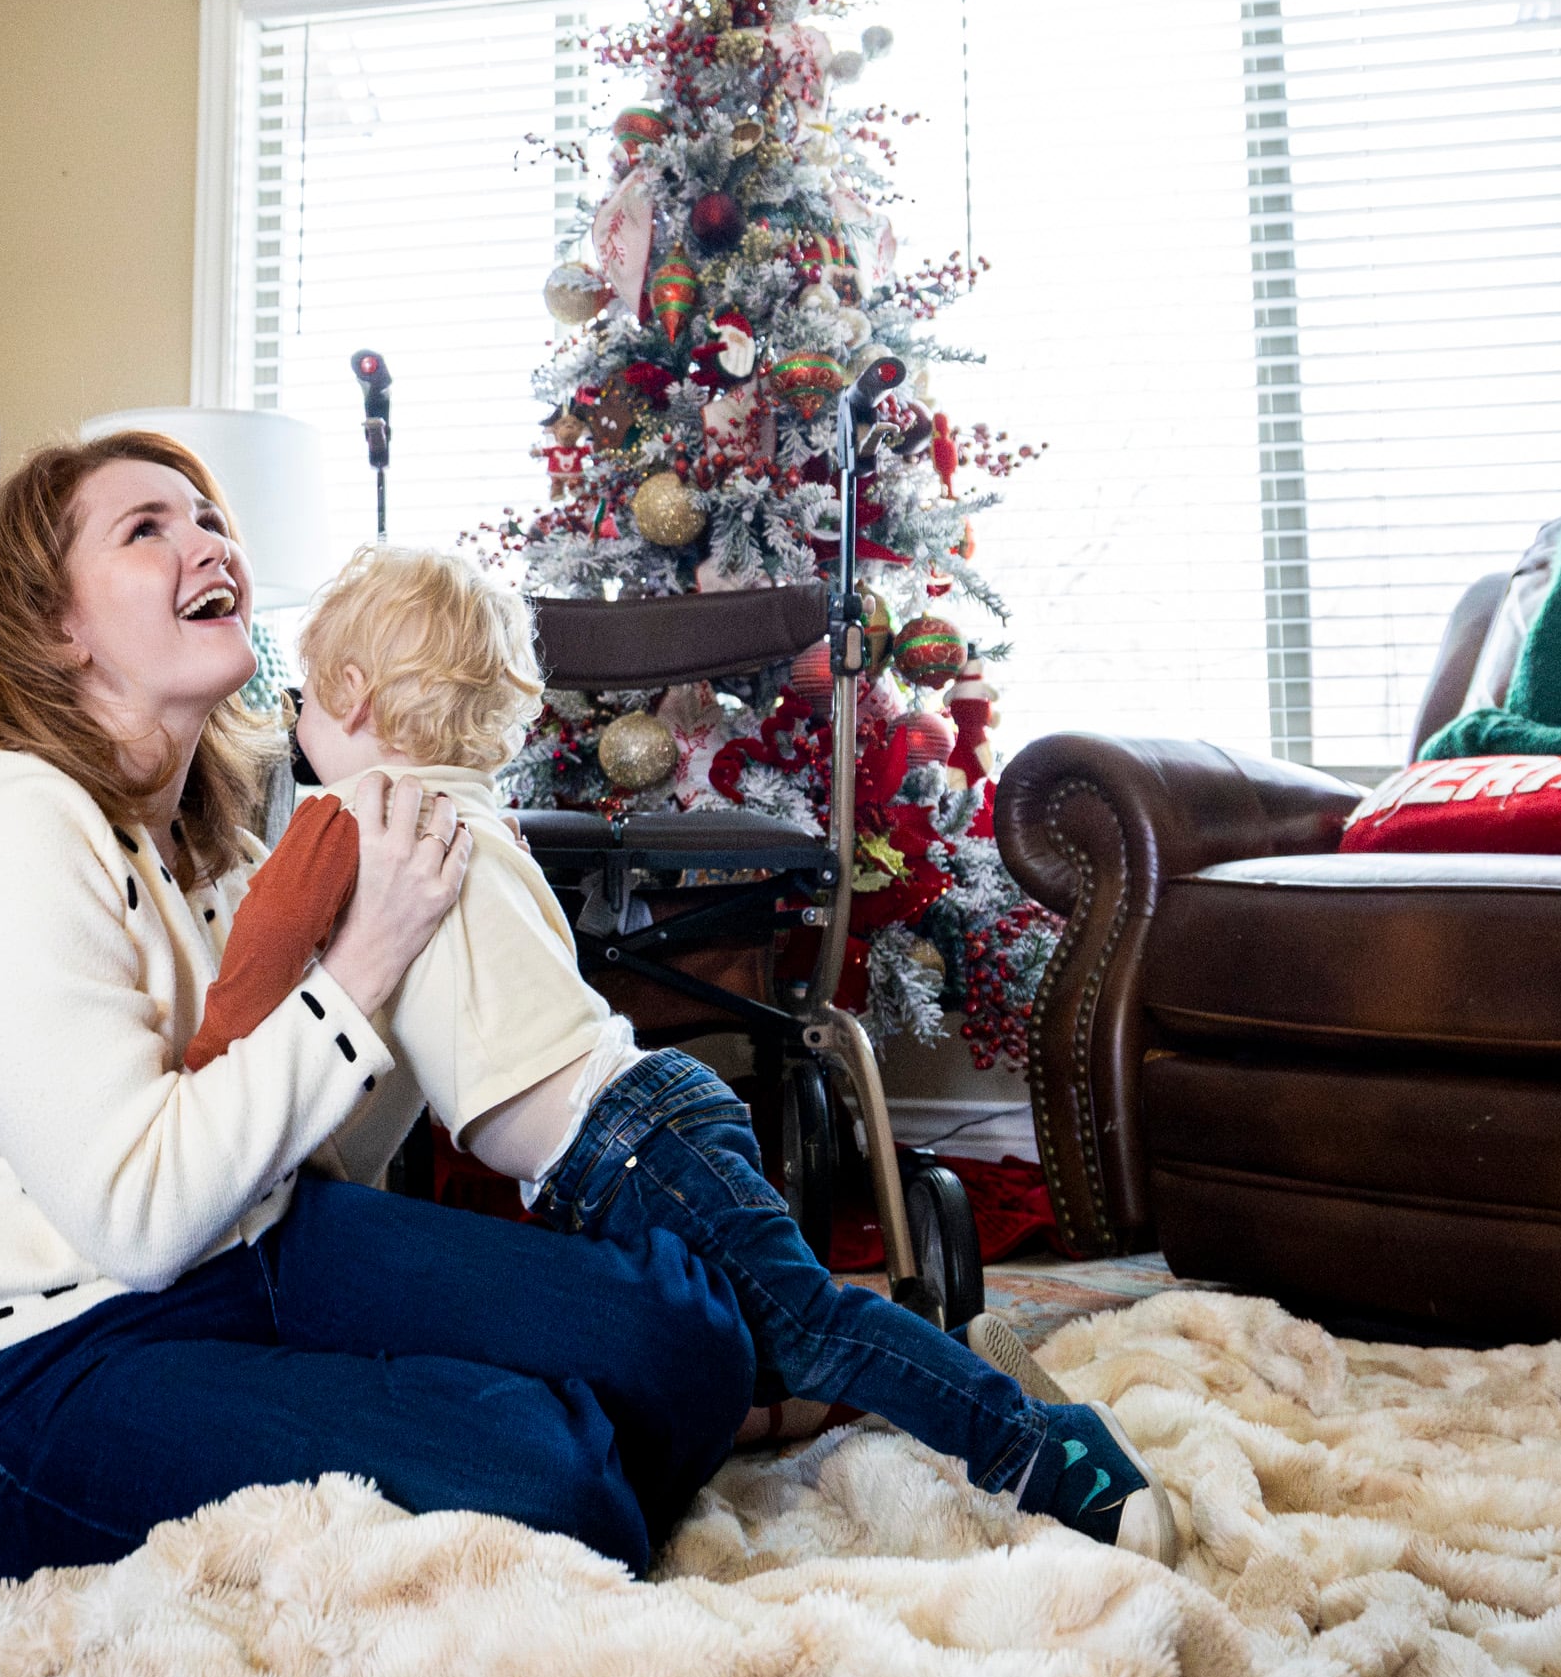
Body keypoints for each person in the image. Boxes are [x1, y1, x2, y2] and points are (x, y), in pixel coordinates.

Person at [0, 433, 754, 1583]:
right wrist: (362, 967)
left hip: (252, 1240)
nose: (207, 539)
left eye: (208, 517)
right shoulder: (0, 813)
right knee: (548, 1492)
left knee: (694, 1341)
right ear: (54, 622)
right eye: (147, 527)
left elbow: (310, 1154)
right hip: (37, 1353)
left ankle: (488, 1409)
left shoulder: (224, 851)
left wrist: (436, 950)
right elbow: (137, 1211)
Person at [185, 544, 1180, 1563]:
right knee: (706, 1338)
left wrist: (197, 1083)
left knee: (807, 1323)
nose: (296, 717)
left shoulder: (346, 820)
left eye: (304, 693)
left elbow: (256, 962)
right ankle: (912, 1383)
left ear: (350, 692)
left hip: (625, 1141)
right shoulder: (478, 810)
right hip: (621, 1139)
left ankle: (1053, 1454)